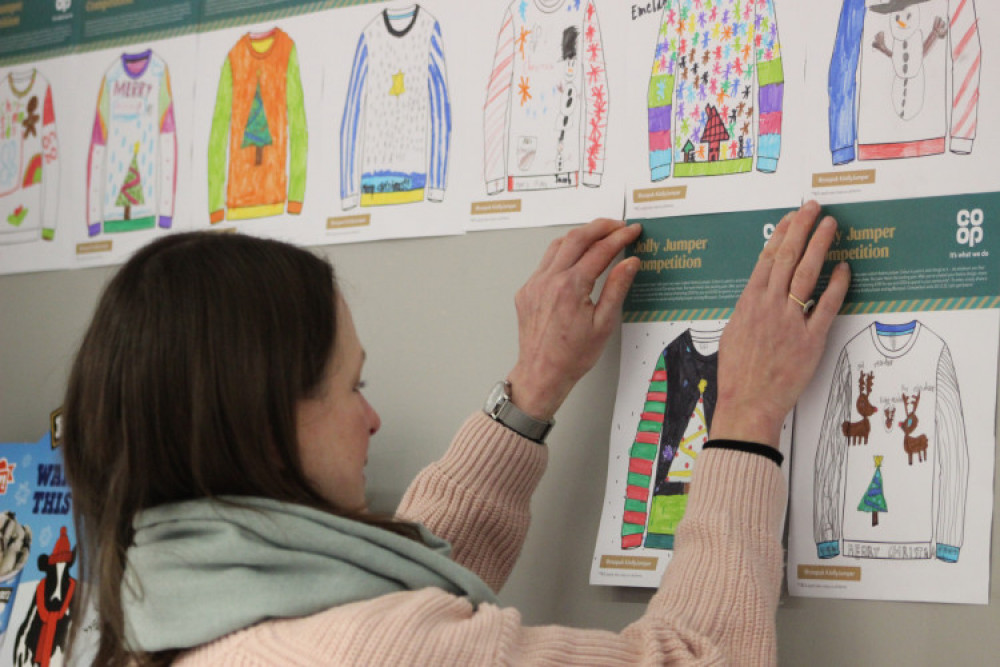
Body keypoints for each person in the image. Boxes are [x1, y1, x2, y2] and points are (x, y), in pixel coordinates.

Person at [62, 201, 848, 666]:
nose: (373, 417)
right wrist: (745, 418)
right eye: (352, 385)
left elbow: (386, 586)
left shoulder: (146, 624)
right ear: (263, 430)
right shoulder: (377, 649)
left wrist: (530, 393)